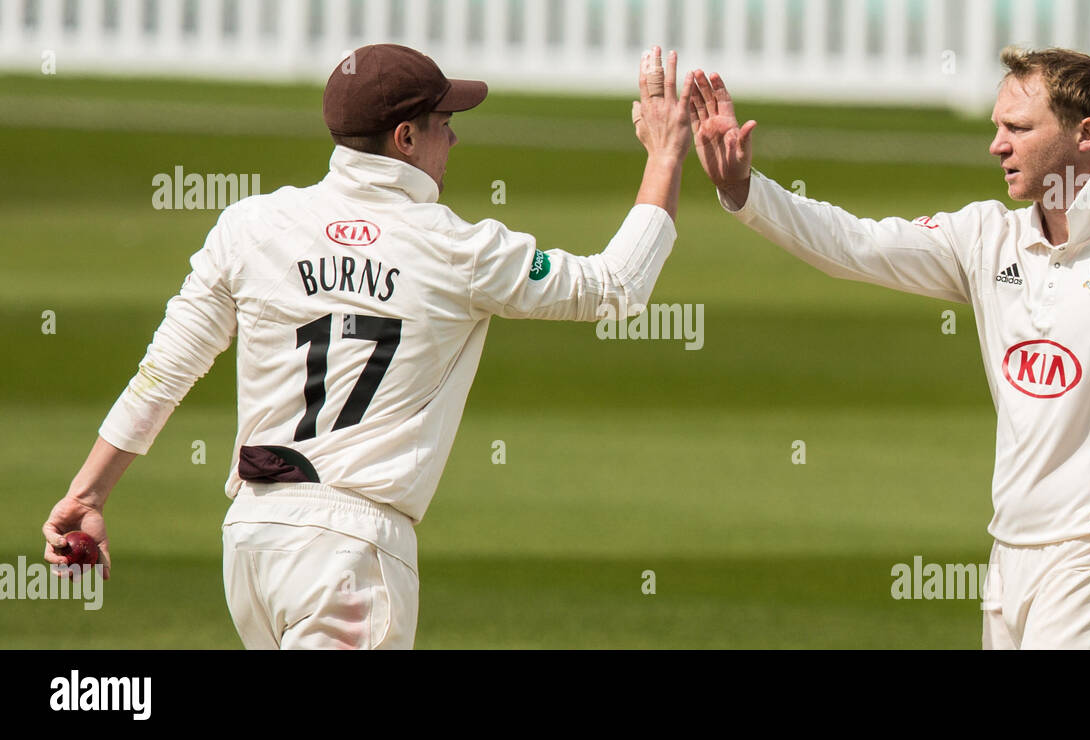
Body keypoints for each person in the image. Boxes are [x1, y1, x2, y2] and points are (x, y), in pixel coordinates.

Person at [42, 43, 693, 649]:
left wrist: (89, 493)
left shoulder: (251, 225)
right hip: (351, 552)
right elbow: (614, 287)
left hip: (252, 541)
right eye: (444, 121)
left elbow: (167, 367)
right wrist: (664, 156)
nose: (455, 134)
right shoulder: (458, 249)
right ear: (405, 138)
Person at [686, 47, 1090, 649]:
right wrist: (745, 188)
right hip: (1009, 552)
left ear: (1086, 135)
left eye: (1019, 128)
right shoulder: (986, 236)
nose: (997, 145)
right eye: (997, 127)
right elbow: (855, 244)